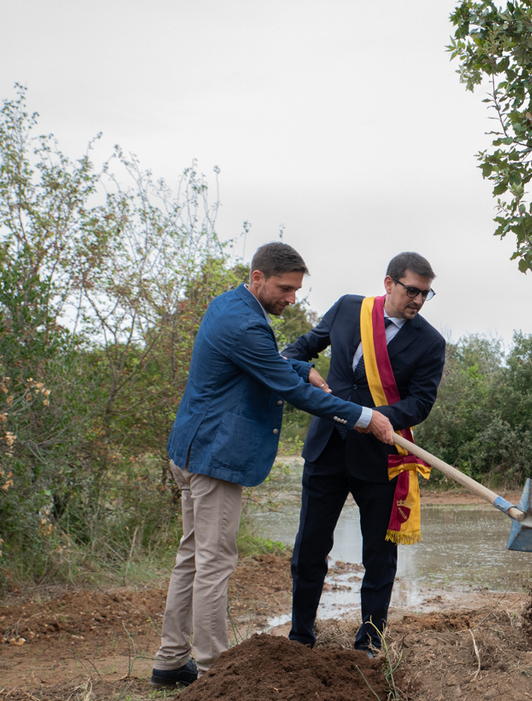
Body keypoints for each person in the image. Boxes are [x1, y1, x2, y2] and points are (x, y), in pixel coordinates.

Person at [151, 242, 395, 688]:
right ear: (258, 277)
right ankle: (212, 669)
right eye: (285, 288)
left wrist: (303, 370)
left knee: (192, 556)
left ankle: (170, 660)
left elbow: (269, 365)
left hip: (192, 448)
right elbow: (286, 386)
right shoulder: (245, 322)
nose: (292, 298)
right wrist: (363, 416)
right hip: (213, 457)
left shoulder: (231, 305)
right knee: (214, 561)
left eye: (297, 289)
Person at [281, 251, 446, 655]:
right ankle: (300, 637)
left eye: (426, 294)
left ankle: (369, 643)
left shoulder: (430, 342)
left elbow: (420, 403)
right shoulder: (348, 308)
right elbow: (296, 351)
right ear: (389, 284)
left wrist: (372, 417)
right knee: (310, 548)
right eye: (412, 291)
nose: (419, 301)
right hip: (326, 448)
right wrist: (304, 370)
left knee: (379, 556)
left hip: (381, 459)